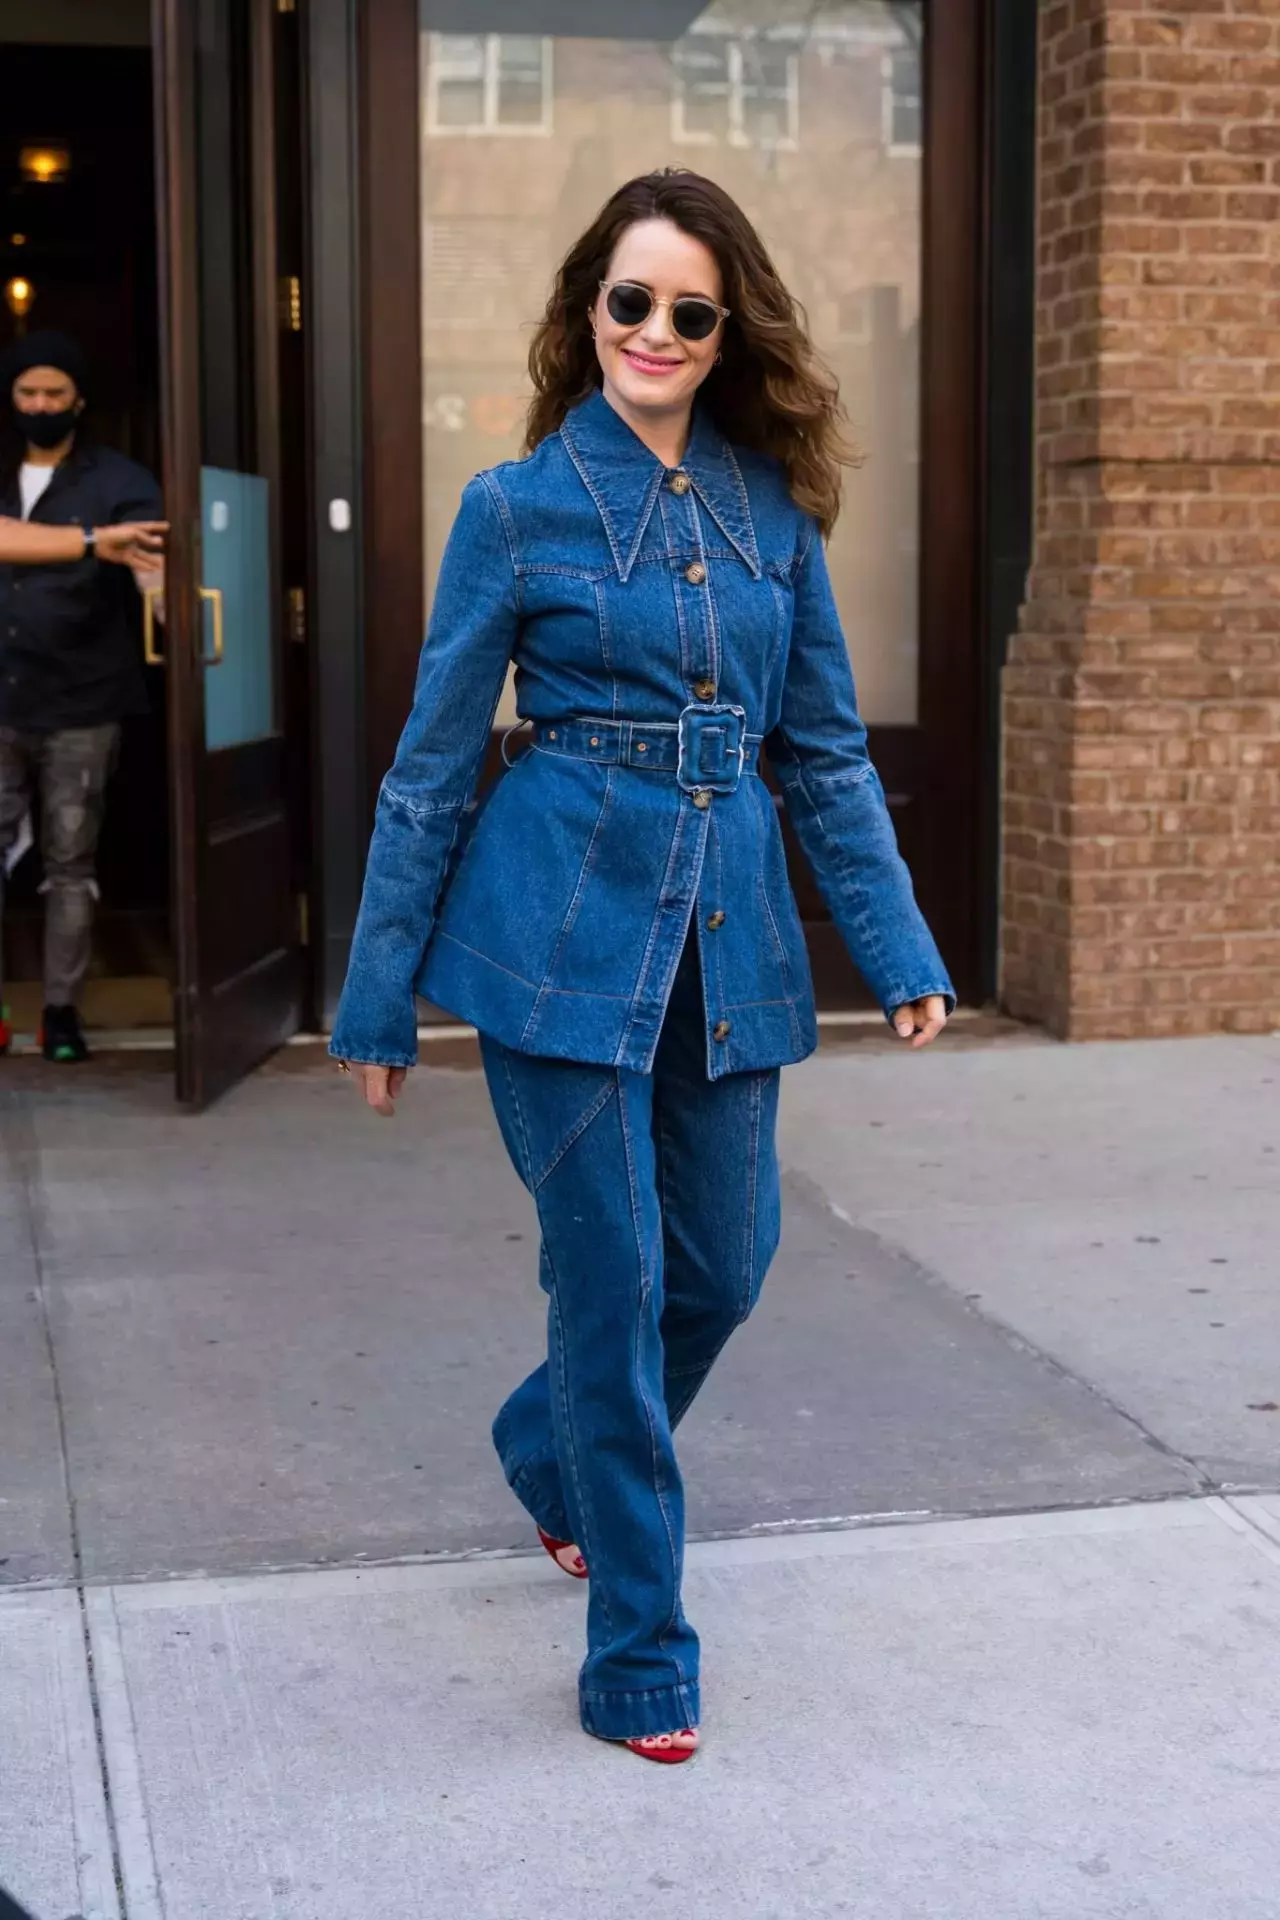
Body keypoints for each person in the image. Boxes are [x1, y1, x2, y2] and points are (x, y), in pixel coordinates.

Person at [330, 170, 953, 1764]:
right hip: (552, 941)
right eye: (629, 302)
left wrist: (894, 948)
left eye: (688, 309)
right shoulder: (513, 509)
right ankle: (641, 1655)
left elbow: (820, 755)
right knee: (606, 1284)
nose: (655, 332)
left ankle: (548, 1459)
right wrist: (377, 987)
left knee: (722, 1270)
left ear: (724, 328)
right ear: (585, 314)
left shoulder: (773, 517)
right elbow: (430, 759)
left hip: (726, 947)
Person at [0, 331, 166, 1062]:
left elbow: (156, 568)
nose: (40, 406)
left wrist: (162, 596)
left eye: (54, 395)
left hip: (82, 703)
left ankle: (60, 1011)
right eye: (28, 394)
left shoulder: (120, 479)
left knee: (71, 863)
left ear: (79, 400)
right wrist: (97, 542)